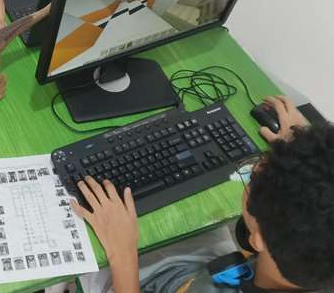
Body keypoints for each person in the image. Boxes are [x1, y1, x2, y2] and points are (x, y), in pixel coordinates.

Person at [74, 96, 334, 293]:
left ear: (258, 239)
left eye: (253, 178)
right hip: (222, 270)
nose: (255, 167)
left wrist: (123, 253)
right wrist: (302, 148)